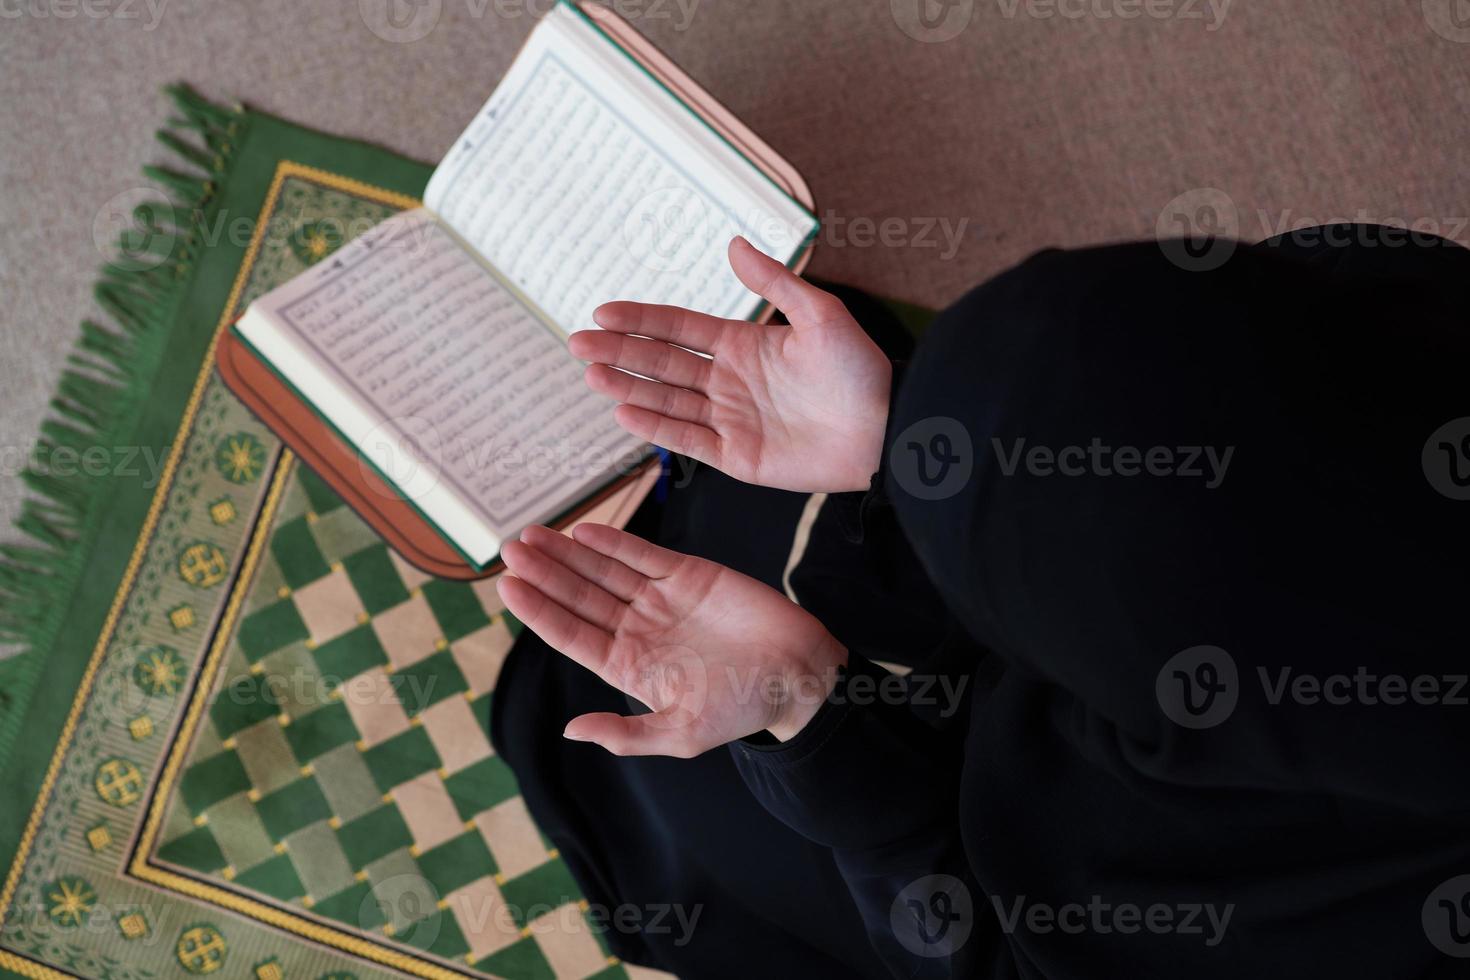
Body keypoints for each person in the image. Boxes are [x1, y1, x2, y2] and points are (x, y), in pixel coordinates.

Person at [490, 227, 1470, 978]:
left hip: (966, 863)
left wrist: (806, 705)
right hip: (1095, 638)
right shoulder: (1408, 347)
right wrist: (899, 431)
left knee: (674, 800)